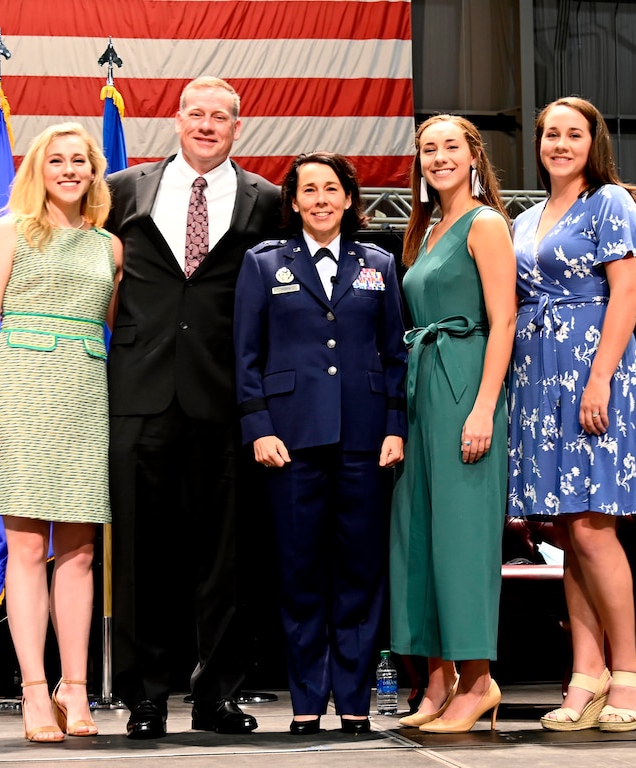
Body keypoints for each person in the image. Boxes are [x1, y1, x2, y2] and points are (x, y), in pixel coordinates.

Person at [105, 76, 281, 738]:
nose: (207, 124)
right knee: (141, 557)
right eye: (196, 113)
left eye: (221, 116)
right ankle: (145, 698)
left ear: (239, 128)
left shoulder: (267, 200)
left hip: (228, 397)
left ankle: (217, 696)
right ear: (176, 121)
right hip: (139, 394)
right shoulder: (124, 189)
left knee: (226, 560)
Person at [0, 122, 123, 742]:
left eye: (81, 160)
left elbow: (112, 328)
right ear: (39, 169)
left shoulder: (109, 246)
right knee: (25, 547)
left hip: (83, 397)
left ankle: (73, 690)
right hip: (19, 394)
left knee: (79, 552)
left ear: (94, 171)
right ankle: (31, 690)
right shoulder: (8, 232)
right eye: (58, 160)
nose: (71, 169)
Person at [234, 152, 408, 735]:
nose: (321, 200)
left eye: (331, 189)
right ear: (294, 202)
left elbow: (394, 355)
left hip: (364, 440)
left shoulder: (379, 264)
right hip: (290, 440)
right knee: (300, 572)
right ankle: (308, 699)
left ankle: (356, 701)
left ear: (350, 199)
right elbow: (247, 356)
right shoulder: (263, 265)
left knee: (360, 573)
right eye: (309, 190)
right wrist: (258, 426)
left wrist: (394, 424)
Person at [507, 96, 636, 732]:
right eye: (550, 135)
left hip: (596, 375)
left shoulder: (611, 202)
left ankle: (628, 671)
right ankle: (585, 675)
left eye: (574, 134)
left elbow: (629, 291)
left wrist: (599, 380)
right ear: (538, 145)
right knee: (567, 533)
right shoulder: (527, 216)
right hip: (539, 381)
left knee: (595, 528)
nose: (561, 145)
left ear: (594, 143)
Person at [389, 115, 516, 734]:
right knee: (420, 539)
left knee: (462, 541)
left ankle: (479, 680)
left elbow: (505, 320)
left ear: (473, 156)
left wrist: (484, 406)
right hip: (423, 392)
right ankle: (438, 681)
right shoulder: (428, 228)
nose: (438, 158)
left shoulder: (486, 223)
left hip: (466, 384)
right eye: (427, 149)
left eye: (449, 147)